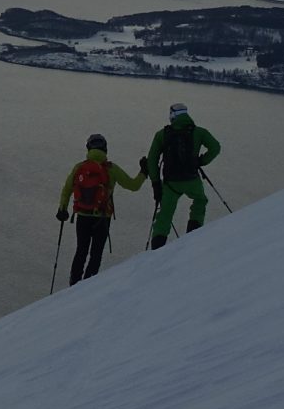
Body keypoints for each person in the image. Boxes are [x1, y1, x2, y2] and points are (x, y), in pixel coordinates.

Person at [55, 131, 145, 283]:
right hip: (102, 217)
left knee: (81, 251)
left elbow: (67, 189)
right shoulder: (111, 169)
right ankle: (89, 283)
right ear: (105, 149)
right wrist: (144, 172)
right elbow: (133, 186)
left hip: (83, 216)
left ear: (88, 148)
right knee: (96, 253)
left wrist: (62, 209)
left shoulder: (79, 167)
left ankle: (74, 285)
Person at [144, 102, 221, 249]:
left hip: (171, 183)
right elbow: (215, 147)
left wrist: (155, 183)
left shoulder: (162, 135)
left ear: (172, 116)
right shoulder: (198, 132)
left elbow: (152, 160)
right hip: (192, 179)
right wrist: (201, 161)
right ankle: (193, 234)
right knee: (200, 200)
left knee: (164, 215)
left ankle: (157, 248)